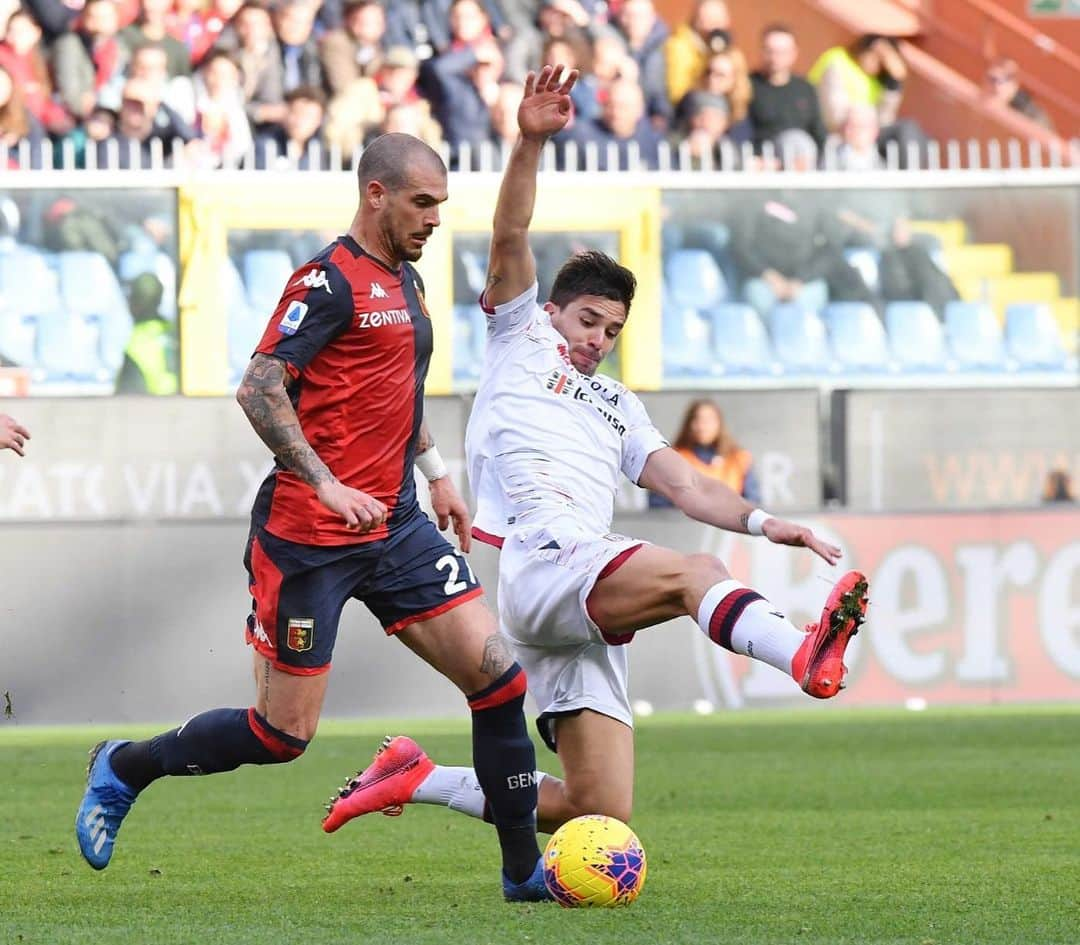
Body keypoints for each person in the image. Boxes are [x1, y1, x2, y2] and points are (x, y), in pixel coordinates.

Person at [321, 67, 870, 888]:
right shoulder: (520, 339)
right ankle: (802, 657)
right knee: (697, 575)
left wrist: (767, 522)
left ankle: (413, 776)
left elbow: (684, 482)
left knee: (595, 803)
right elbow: (511, 234)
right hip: (547, 558)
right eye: (588, 319)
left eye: (611, 328)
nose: (597, 338)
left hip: (579, 586)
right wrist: (530, 140)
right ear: (550, 313)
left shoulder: (617, 404)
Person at [74, 132, 549, 904]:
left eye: (440, 205)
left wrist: (435, 475)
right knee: (281, 735)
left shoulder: (407, 282)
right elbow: (259, 386)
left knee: (498, 681)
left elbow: (392, 389)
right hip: (309, 538)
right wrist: (327, 483)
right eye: (422, 203)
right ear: (376, 195)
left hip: (395, 526)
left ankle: (525, 876)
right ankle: (124, 765)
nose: (434, 219)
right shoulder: (327, 281)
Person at [648, 399, 760, 508]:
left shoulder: (739, 459)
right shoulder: (672, 459)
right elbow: (659, 506)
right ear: (689, 424)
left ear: (719, 423)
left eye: (709, 420)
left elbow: (751, 502)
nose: (703, 426)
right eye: (697, 419)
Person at [984, 56, 1053, 131]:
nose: (997, 85)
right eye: (992, 79)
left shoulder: (1034, 116)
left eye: (1007, 78)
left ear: (1015, 84)